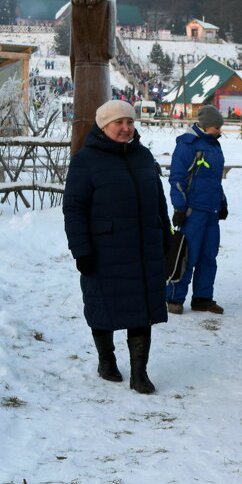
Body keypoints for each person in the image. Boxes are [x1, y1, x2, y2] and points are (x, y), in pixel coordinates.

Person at [63, 99, 170, 394]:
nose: (126, 128)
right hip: (104, 249)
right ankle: (106, 360)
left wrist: (166, 234)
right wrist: (81, 250)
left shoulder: (143, 156)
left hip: (143, 248)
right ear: (103, 126)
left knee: (143, 308)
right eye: (119, 123)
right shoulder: (86, 160)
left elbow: (159, 200)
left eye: (130, 122)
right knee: (104, 305)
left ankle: (140, 373)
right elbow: (74, 209)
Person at [166, 105, 228, 315]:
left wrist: (222, 201)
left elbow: (214, 180)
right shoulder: (188, 145)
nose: (219, 131)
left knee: (208, 257)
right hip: (193, 211)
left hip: (211, 210)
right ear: (205, 126)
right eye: (216, 127)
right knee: (186, 255)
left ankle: (203, 298)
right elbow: (177, 178)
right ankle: (174, 297)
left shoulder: (214, 145)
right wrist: (180, 207)